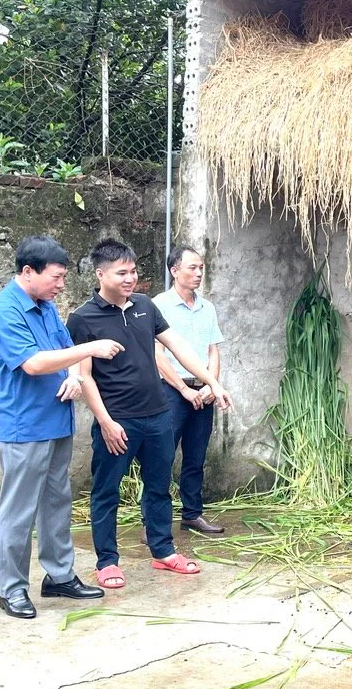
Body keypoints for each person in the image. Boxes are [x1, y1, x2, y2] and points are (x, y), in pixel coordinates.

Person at [66, 239, 233, 590]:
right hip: (118, 421)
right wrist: (105, 421)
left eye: (133, 271)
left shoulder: (144, 306)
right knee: (106, 491)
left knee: (159, 487)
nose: (130, 279)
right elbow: (85, 375)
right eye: (121, 273)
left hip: (158, 414)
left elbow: (179, 348)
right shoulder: (83, 318)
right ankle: (107, 561)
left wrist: (211, 382)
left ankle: (163, 551)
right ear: (101, 274)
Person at [0, 235, 122, 619]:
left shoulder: (46, 308)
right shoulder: (4, 311)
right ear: (28, 272)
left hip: (56, 420)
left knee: (56, 503)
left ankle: (59, 576)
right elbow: (33, 363)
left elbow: (66, 352)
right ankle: (11, 589)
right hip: (24, 425)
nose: (62, 285)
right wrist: (90, 351)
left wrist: (77, 377)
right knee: (19, 510)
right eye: (56, 277)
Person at [152, 245, 226, 535]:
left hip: (204, 392)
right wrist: (183, 389)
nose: (198, 273)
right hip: (171, 391)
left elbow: (213, 350)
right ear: (174, 271)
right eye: (191, 268)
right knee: (161, 457)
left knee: (196, 456)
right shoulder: (159, 305)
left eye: (201, 268)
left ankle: (192, 514)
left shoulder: (208, 308)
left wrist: (211, 384)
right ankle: (153, 522)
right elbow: (156, 355)